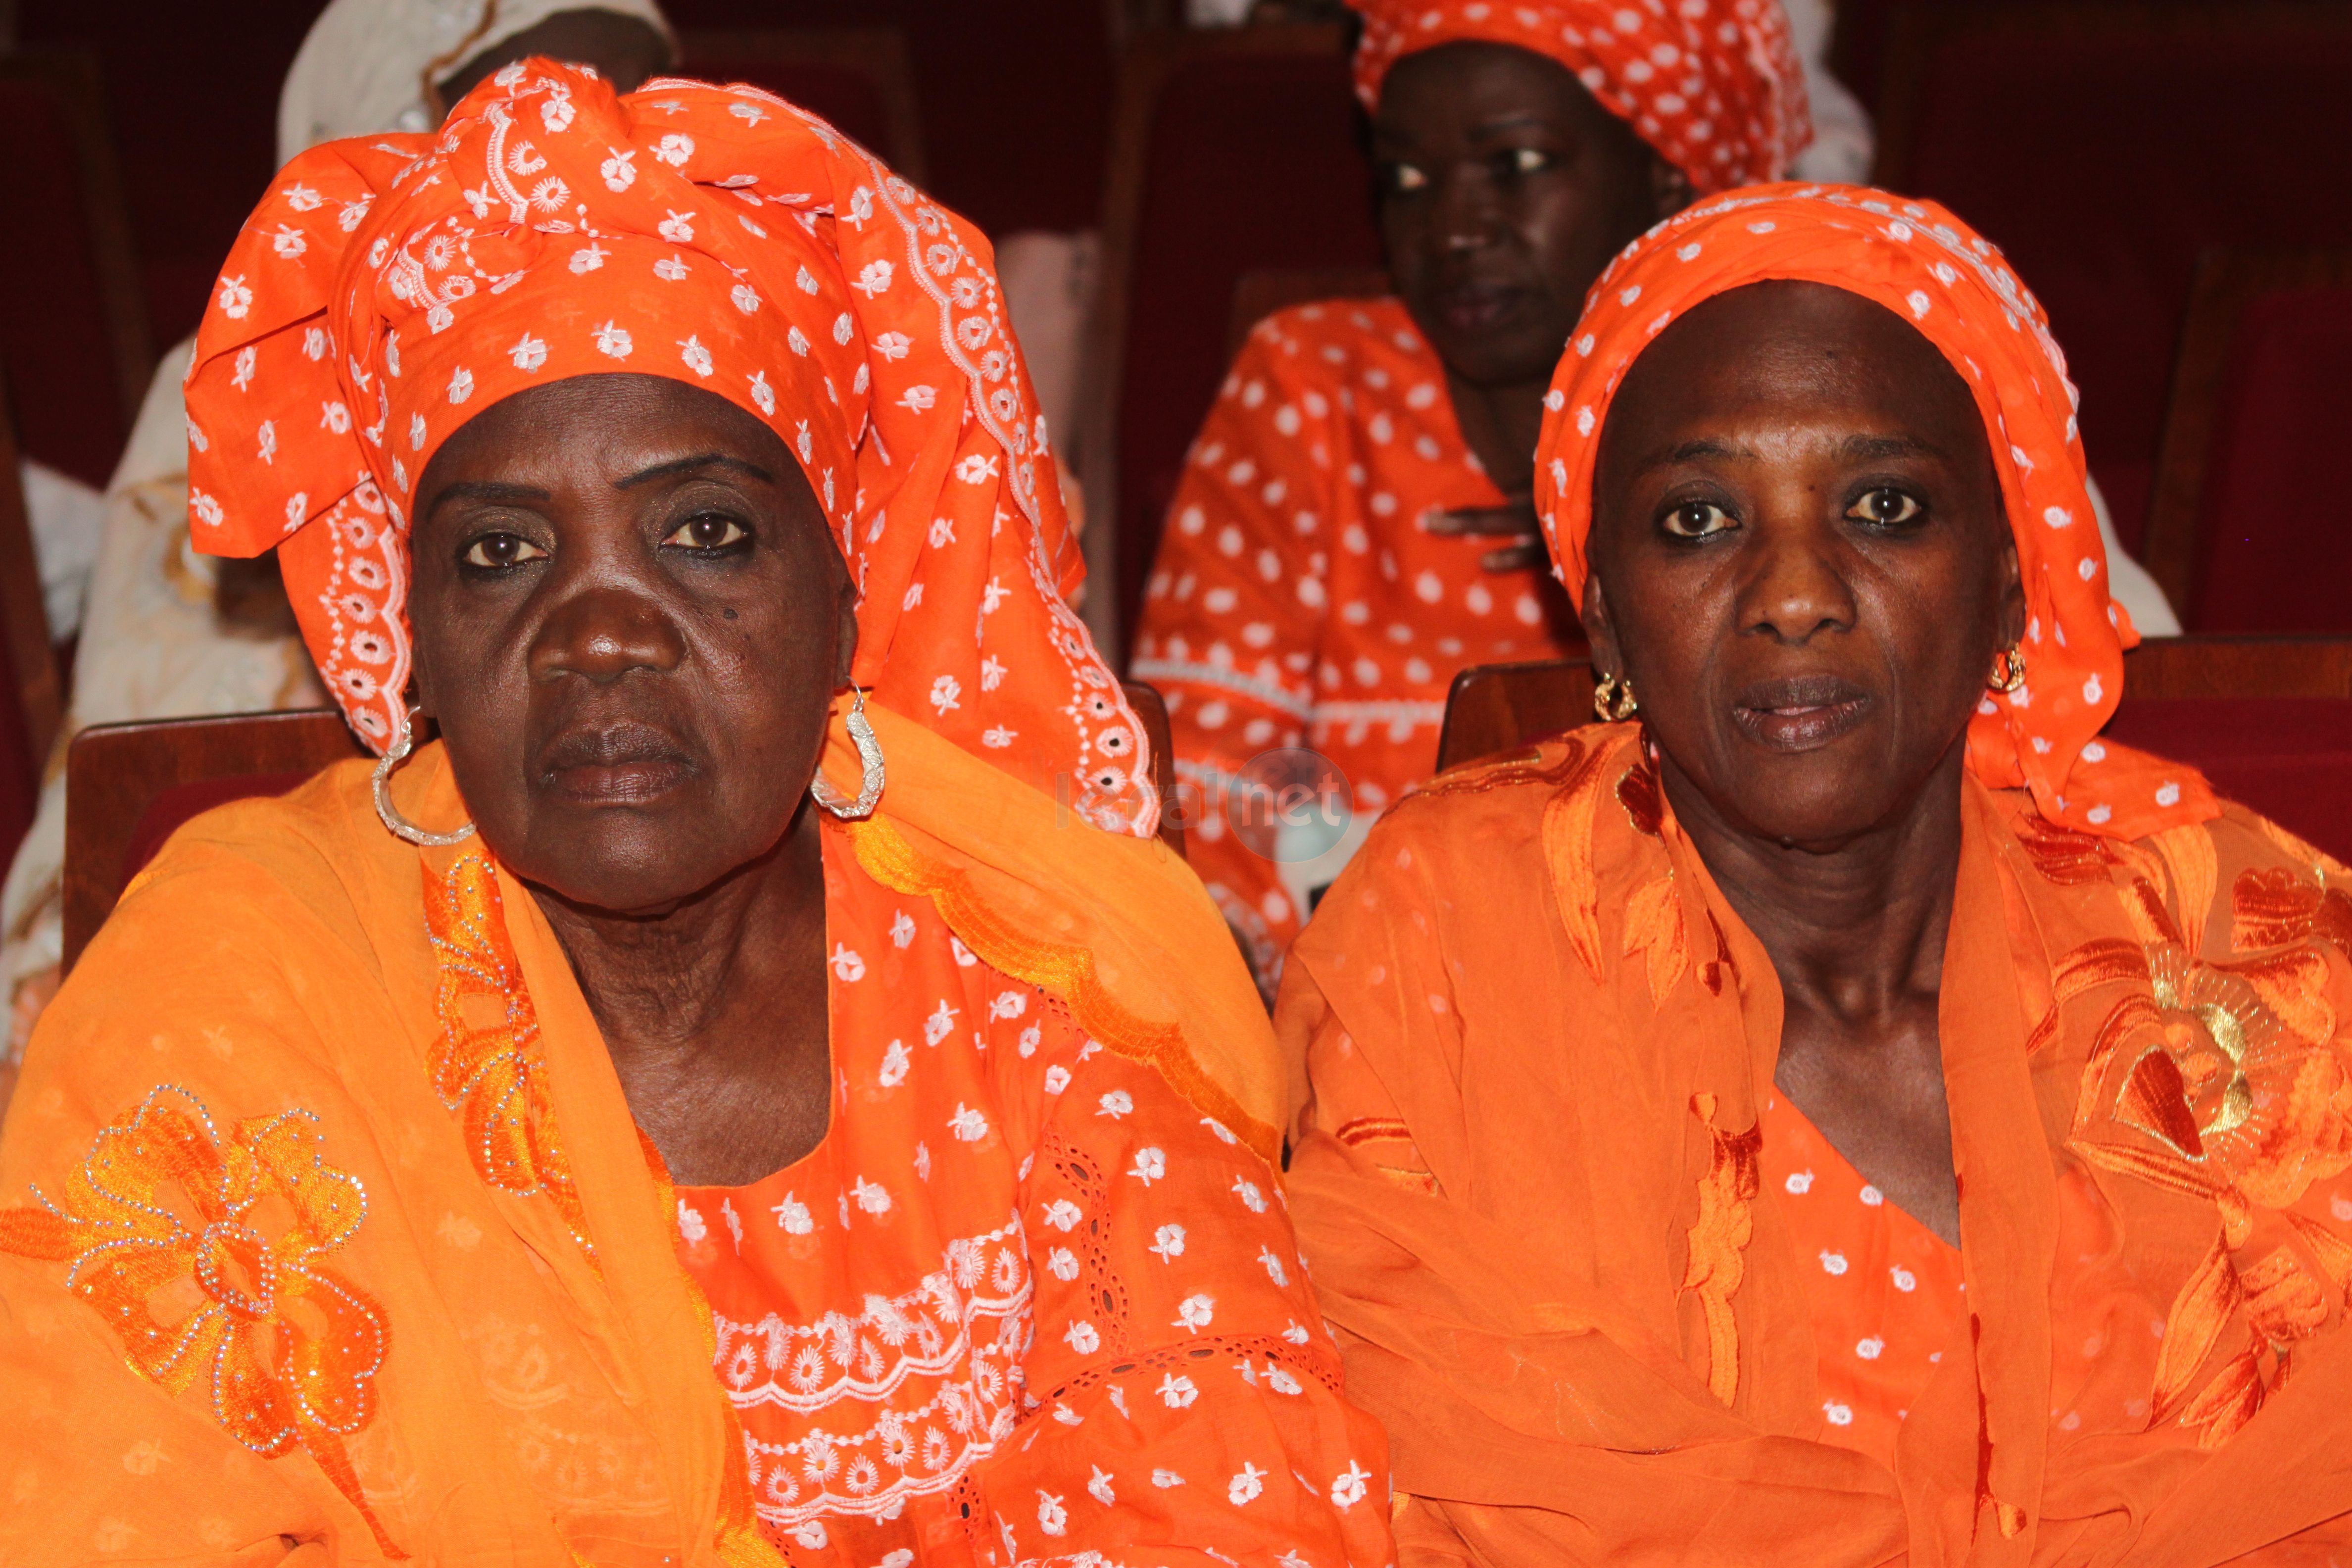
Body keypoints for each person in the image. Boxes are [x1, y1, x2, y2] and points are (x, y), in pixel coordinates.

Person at [0, 64, 1394, 1566]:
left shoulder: (1037, 975)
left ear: (846, 596)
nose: (600, 632)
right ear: (409, 638)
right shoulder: (246, 985)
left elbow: (1240, 1504)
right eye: (500, 555)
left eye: (704, 534)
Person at [1282, 186, 2352, 1563]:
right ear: (1598, 599)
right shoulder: (1453, 935)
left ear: (2014, 583)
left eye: (1885, 506)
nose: (1796, 592)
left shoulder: (2243, 954)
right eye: (1699, 522)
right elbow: (1414, 1469)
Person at [0, 0, 677, 1080]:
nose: (598, 155)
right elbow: (162, 785)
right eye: (520, 117)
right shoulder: (246, 395)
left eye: (635, 106)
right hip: (327, 985)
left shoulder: (731, 362)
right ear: (383, 143)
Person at [1129, 0, 1812, 986]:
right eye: (1408, 180)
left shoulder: (1788, 407)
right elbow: (1206, 784)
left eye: (1517, 165)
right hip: (1355, 998)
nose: (1453, 227)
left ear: (1666, 174)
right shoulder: (1318, 387)